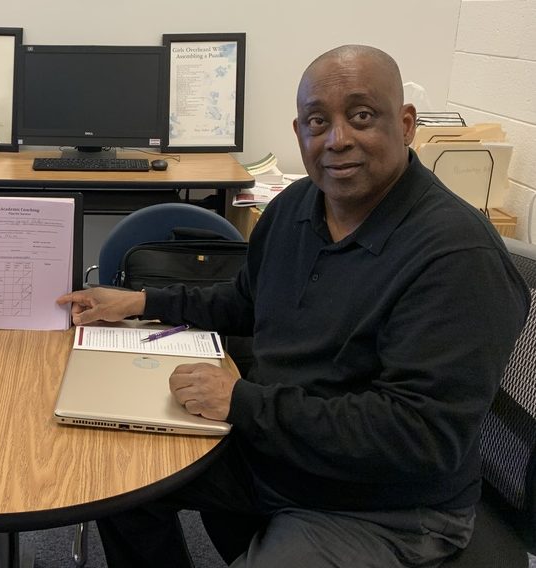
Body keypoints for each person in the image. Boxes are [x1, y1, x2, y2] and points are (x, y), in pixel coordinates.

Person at [56, 45, 530, 567]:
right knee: (119, 482)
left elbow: (416, 436)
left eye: (362, 116)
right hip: (280, 448)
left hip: (385, 504)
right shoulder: (296, 206)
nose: (338, 139)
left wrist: (240, 402)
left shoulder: (458, 257)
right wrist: (143, 300)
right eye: (317, 121)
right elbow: (245, 301)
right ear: (299, 132)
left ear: (407, 123)